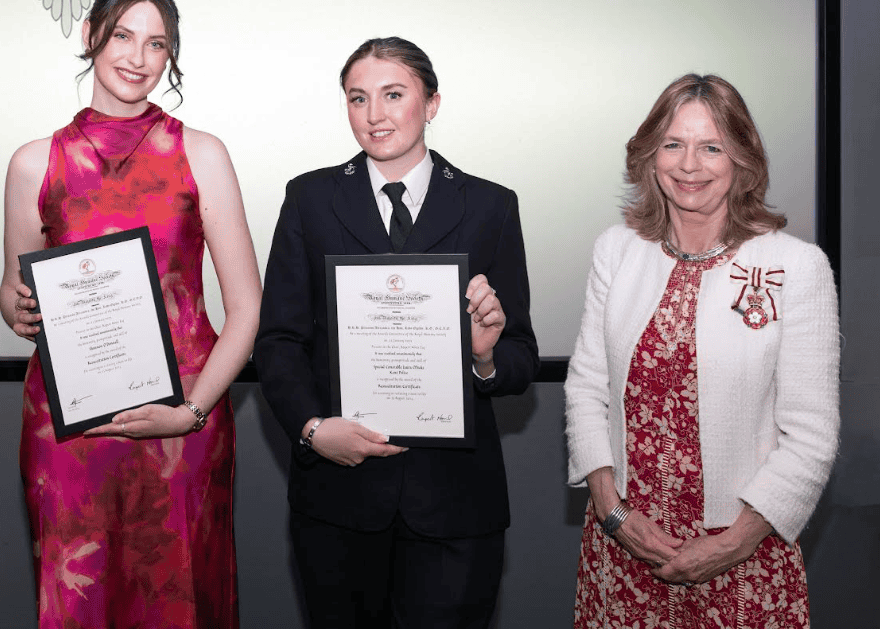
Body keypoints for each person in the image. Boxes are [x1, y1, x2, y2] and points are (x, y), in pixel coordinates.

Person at [1, 0, 260, 627]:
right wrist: (16, 307)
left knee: (182, 597)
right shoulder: (34, 162)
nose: (138, 57)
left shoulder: (202, 153)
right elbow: (13, 292)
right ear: (92, 35)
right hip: (72, 425)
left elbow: (247, 310)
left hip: (184, 414)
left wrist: (191, 412)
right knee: (79, 600)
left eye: (157, 44)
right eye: (123, 35)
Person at [255, 37, 540, 628]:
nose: (374, 114)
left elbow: (520, 357)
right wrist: (313, 430)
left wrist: (484, 358)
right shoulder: (309, 198)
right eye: (357, 98)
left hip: (456, 505)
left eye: (393, 95)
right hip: (338, 498)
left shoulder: (491, 205)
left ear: (431, 103)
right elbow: (279, 341)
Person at [564, 74, 839, 627]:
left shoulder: (797, 266)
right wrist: (613, 512)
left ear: (742, 159)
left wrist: (733, 544)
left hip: (743, 559)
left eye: (711, 147)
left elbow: (811, 436)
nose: (689, 165)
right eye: (673, 144)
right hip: (623, 549)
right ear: (650, 156)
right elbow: (587, 388)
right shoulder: (616, 250)